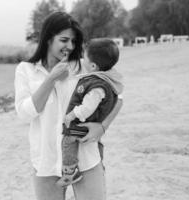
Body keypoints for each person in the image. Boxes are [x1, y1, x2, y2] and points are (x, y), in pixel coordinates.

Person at [14, 11, 123, 200]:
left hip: (86, 158)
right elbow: (24, 114)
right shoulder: (26, 70)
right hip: (45, 163)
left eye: (73, 41)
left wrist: (102, 127)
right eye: (64, 40)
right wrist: (51, 78)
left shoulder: (85, 66)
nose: (70, 46)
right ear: (48, 38)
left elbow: (118, 96)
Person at [56, 38, 123, 187]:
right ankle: (101, 165)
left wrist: (71, 115)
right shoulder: (106, 77)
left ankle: (69, 173)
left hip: (82, 123)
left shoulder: (96, 86)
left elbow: (87, 108)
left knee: (68, 140)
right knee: (97, 143)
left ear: (93, 66)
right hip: (91, 124)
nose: (82, 59)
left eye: (84, 57)